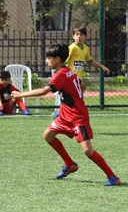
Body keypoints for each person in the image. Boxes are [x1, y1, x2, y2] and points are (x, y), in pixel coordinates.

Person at [11, 43, 121, 186]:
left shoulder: (61, 75)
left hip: (77, 117)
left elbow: (44, 91)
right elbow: (82, 86)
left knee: (88, 151)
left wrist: (21, 94)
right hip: (65, 116)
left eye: (48, 58)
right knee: (48, 136)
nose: (46, 61)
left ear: (57, 59)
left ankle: (113, 177)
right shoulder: (68, 71)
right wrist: (72, 100)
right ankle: (69, 163)